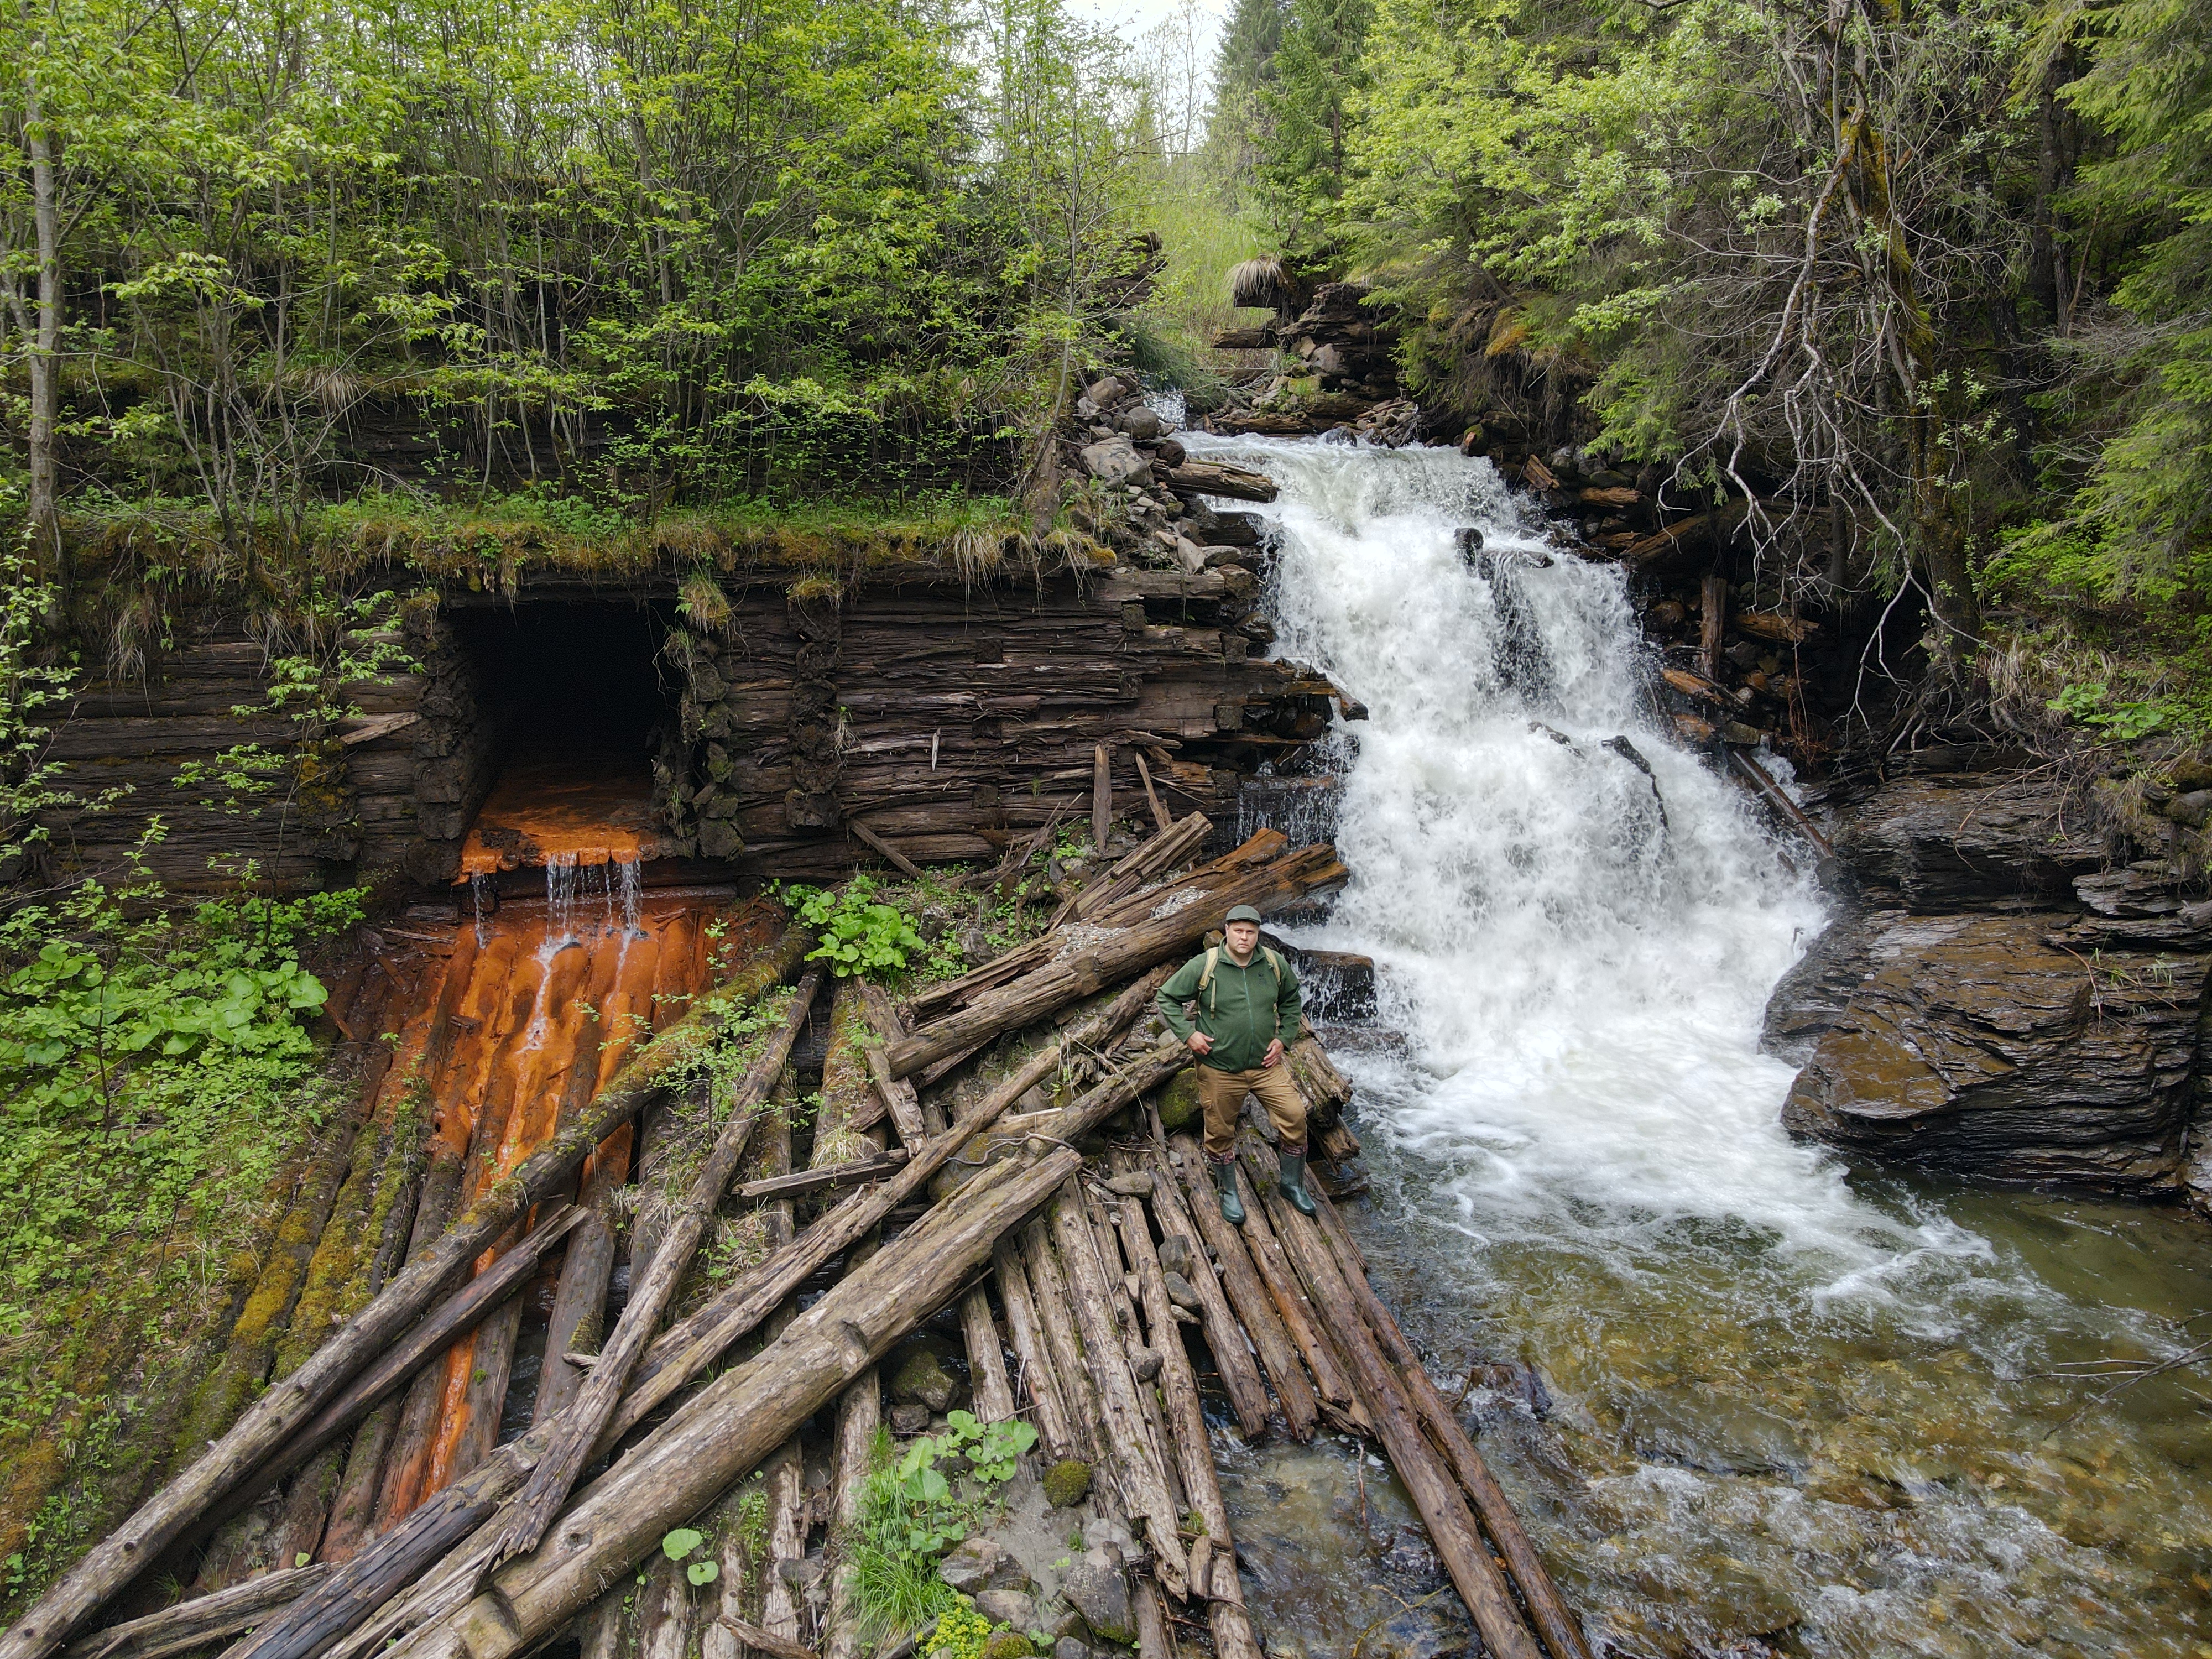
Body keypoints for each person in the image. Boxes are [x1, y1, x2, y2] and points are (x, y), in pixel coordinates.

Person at [1153, 903, 1313, 1223]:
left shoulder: (1272, 963)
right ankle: (1229, 1192)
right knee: (1219, 1131)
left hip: (1266, 1066)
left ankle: (1292, 1184)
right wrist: (1188, 1034)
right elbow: (1166, 997)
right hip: (1220, 1068)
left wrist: (1284, 1038)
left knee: (1295, 1117)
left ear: (1258, 935)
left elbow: (1292, 1000)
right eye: (1238, 931)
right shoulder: (1206, 965)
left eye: (1251, 932)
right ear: (1227, 931)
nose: (1244, 937)